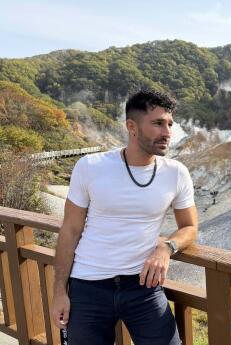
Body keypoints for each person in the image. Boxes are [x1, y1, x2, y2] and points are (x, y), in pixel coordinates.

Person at [51, 89, 198, 345]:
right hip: (87, 286)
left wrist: (166, 247)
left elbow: (189, 226)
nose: (167, 133)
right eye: (158, 123)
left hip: (143, 287)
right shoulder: (90, 167)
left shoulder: (176, 173)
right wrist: (59, 292)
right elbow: (70, 230)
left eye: (170, 124)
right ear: (132, 126)